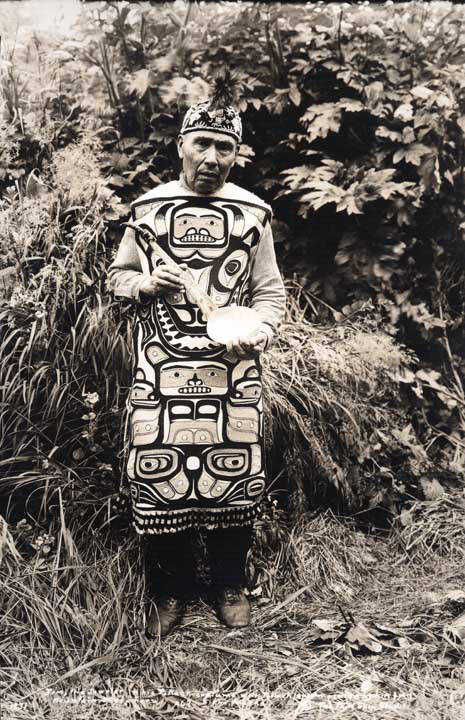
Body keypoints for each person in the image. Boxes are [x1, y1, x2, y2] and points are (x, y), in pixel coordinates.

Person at [106, 72, 286, 638]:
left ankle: (230, 584)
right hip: (161, 366)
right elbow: (117, 275)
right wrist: (143, 287)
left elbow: (269, 290)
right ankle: (169, 591)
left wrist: (259, 326)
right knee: (160, 476)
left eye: (224, 146)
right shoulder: (148, 210)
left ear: (237, 153)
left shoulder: (254, 215)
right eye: (202, 143)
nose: (212, 157)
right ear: (181, 144)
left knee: (236, 476)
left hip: (234, 368)